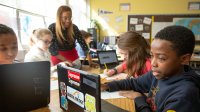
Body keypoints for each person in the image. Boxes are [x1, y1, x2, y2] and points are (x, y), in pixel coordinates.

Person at [101, 25, 200, 112]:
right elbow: (134, 83)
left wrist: (139, 99)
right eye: (152, 56)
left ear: (184, 59)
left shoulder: (184, 96)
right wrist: (107, 86)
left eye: (161, 58)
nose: (153, 63)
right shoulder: (158, 74)